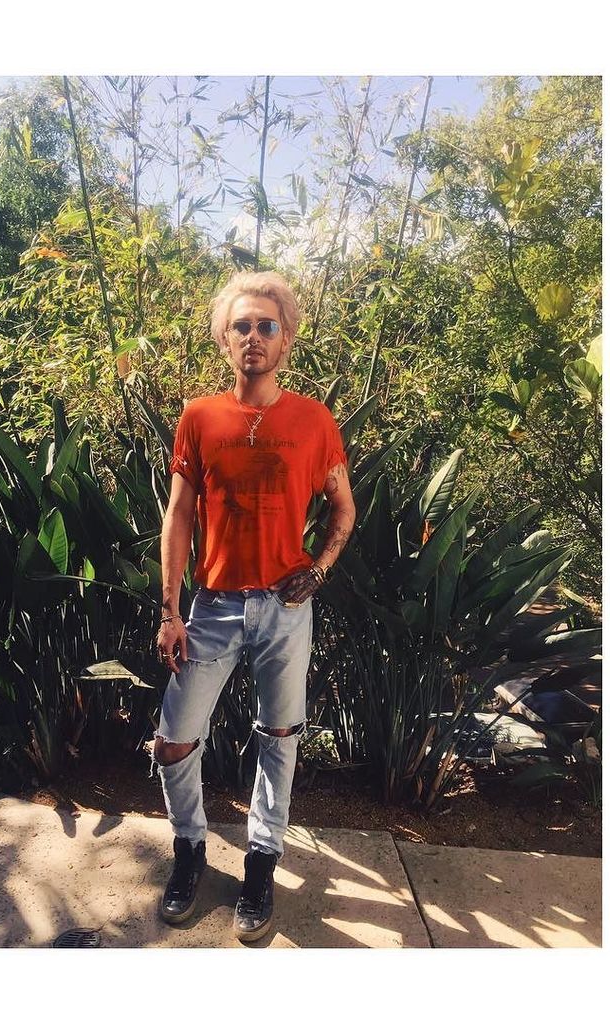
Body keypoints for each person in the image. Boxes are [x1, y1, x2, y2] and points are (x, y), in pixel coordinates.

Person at [153, 270, 356, 942]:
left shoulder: (313, 420)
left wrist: (319, 571)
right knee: (174, 739)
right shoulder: (200, 417)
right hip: (213, 606)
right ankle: (189, 850)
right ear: (224, 338)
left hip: (285, 610)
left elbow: (344, 509)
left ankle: (261, 865)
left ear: (286, 338)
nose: (253, 337)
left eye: (266, 325)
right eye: (241, 325)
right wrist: (170, 610)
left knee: (279, 737)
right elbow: (179, 516)